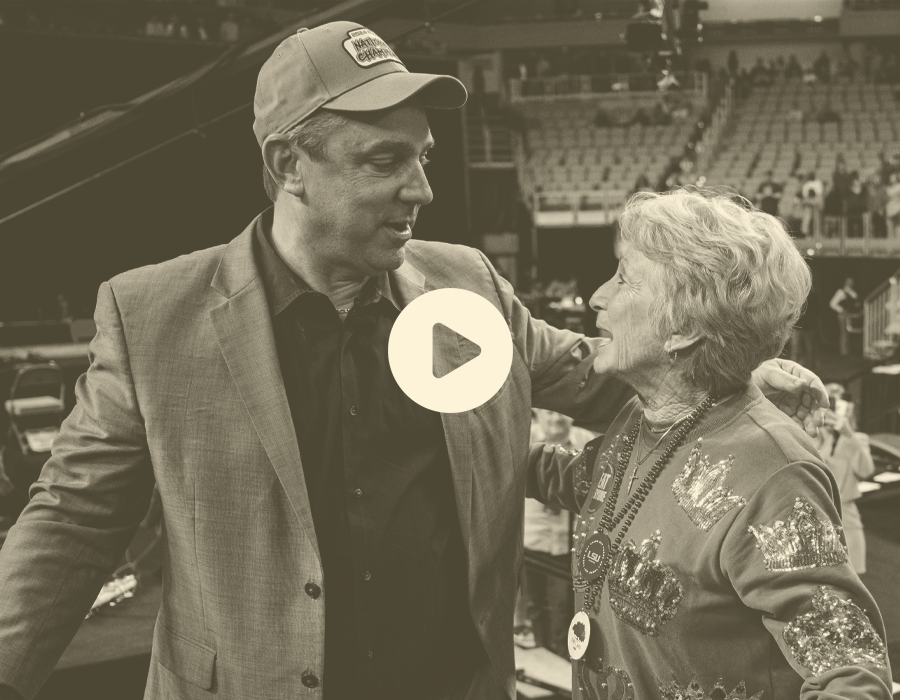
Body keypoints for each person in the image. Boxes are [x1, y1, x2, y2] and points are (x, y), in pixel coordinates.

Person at [0, 23, 826, 700]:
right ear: (289, 166)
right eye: (384, 161)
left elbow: (614, 383)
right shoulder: (152, 318)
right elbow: (69, 525)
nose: (422, 189)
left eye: (423, 156)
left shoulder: (467, 284)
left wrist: (740, 376)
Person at [527, 189, 892, 700]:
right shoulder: (643, 417)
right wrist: (461, 446)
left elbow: (852, 672)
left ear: (682, 329)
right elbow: (587, 485)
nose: (597, 296)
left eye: (625, 278)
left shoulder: (773, 470)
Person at [514, 410, 595, 655]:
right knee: (535, 605)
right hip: (532, 540)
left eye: (562, 413)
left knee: (563, 609)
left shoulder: (585, 441)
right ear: (537, 414)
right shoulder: (523, 437)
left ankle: (562, 657)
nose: (556, 418)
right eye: (549, 412)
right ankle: (544, 653)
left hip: (566, 543)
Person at [816, 384, 875, 574]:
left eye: (840, 402)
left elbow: (866, 470)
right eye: (830, 402)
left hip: (847, 514)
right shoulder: (814, 438)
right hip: (819, 514)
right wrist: (825, 433)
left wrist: (848, 434)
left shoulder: (858, 439)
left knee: (854, 580)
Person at [830, 277, 860, 357]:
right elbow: (832, 303)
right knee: (844, 333)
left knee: (850, 332)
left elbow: (855, 303)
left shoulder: (853, 293)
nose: (850, 284)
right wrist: (841, 309)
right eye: (849, 282)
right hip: (843, 315)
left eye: (852, 282)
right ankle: (844, 351)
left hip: (852, 315)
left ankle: (849, 350)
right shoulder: (841, 292)